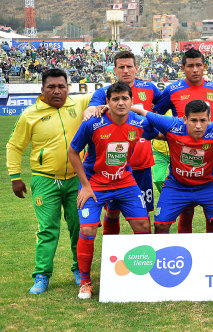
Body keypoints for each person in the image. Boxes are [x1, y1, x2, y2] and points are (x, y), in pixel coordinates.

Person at [68, 81, 159, 299]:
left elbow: (165, 131)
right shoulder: (93, 123)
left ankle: (143, 275)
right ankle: (86, 282)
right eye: (115, 99)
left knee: (143, 223)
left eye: (124, 98)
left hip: (124, 181)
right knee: (88, 229)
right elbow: (73, 152)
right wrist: (86, 186)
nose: (120, 102)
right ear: (107, 102)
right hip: (95, 183)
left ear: (131, 100)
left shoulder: (140, 123)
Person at [6, 68, 93, 294]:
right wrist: (15, 176)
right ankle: (42, 276)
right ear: (42, 89)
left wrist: (94, 105)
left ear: (68, 88)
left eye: (61, 87)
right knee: (48, 229)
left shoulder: (77, 104)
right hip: (45, 180)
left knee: (79, 227)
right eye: (51, 87)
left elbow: (103, 94)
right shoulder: (30, 114)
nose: (57, 91)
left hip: (76, 180)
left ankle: (79, 269)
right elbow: (14, 146)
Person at [133, 100, 213, 234]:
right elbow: (141, 112)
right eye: (193, 120)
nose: (198, 125)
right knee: (160, 225)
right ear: (185, 119)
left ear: (209, 120)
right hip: (176, 186)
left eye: (203, 120)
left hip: (207, 185)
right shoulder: (172, 125)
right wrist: (110, 108)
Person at [89, 50, 162, 235]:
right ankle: (111, 251)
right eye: (121, 67)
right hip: (115, 167)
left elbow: (163, 110)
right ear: (114, 70)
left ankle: (144, 256)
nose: (126, 70)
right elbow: (92, 109)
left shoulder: (150, 88)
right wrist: (93, 109)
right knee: (112, 213)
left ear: (136, 68)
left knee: (143, 215)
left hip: (142, 163)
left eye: (129, 66)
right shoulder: (104, 92)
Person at [154, 48, 213, 233]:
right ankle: (185, 256)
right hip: (183, 160)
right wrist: (162, 135)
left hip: (212, 161)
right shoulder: (173, 90)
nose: (195, 70)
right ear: (182, 68)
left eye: (199, 65)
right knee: (185, 210)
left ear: (205, 67)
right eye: (190, 66)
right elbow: (155, 116)